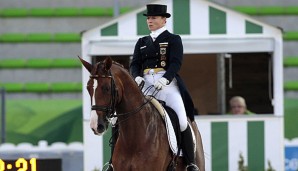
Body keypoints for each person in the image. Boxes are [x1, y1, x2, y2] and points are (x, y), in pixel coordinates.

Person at [129, 4, 199, 171]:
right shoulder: (142, 42)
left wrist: (166, 79)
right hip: (145, 84)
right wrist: (137, 77)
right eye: (148, 18)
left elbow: (176, 63)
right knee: (123, 119)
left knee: (182, 121)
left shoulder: (173, 39)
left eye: (153, 18)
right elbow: (134, 64)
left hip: (166, 84)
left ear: (164, 19)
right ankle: (113, 161)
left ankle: (190, 162)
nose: (149, 21)